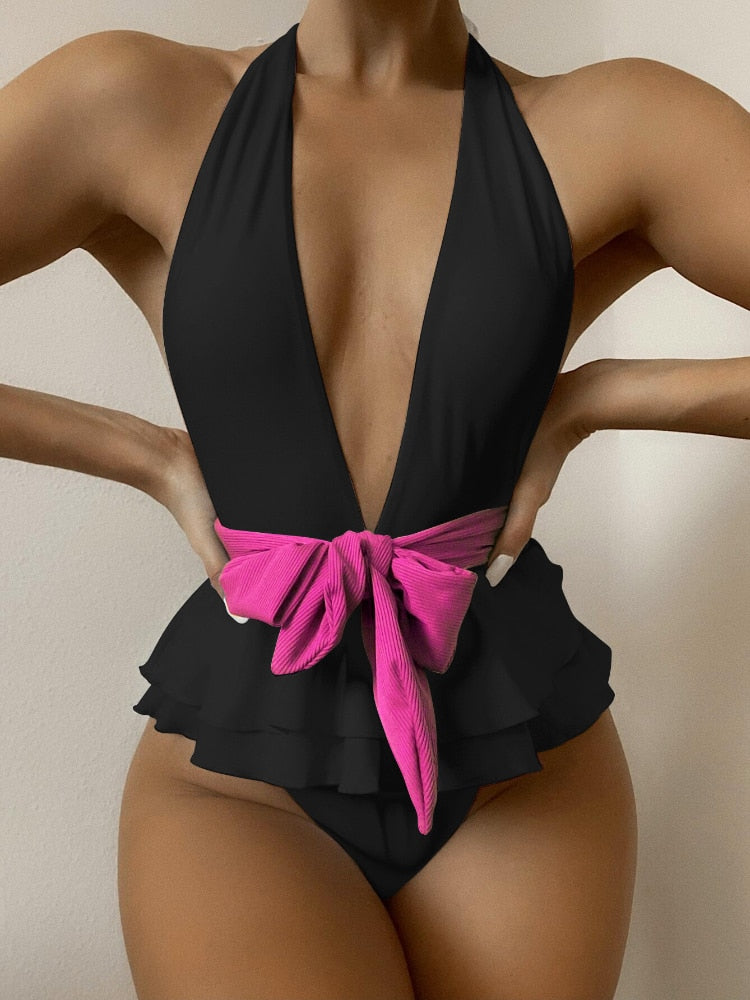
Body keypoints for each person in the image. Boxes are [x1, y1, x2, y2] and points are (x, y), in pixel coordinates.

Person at [1, 3, 748, 998]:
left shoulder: (618, 124)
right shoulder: (128, 101)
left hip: (521, 767)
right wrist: (146, 455)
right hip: (240, 778)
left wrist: (603, 397)